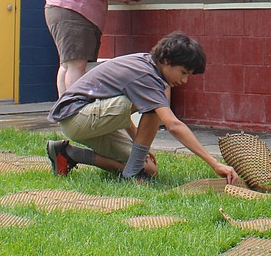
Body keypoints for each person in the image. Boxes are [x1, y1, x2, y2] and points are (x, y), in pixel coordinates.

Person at [46, 31, 240, 186]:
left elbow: (119, 110)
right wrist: (214, 163)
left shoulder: (148, 67)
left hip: (88, 120)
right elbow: (172, 124)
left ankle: (67, 153)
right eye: (183, 72)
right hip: (77, 116)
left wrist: (137, 141)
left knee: (149, 168)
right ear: (166, 61)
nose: (184, 80)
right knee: (155, 108)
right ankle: (132, 175)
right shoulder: (147, 76)